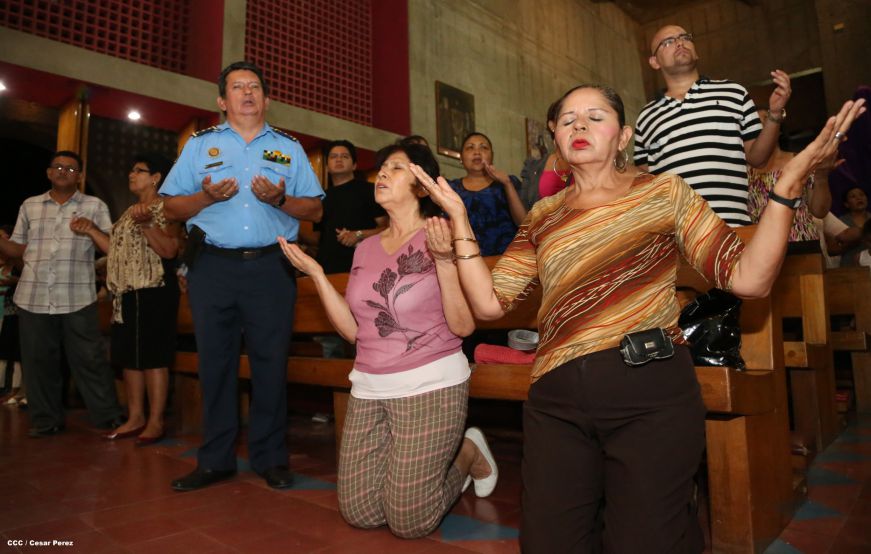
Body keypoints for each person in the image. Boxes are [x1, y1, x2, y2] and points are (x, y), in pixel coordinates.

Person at [413, 84, 864, 553]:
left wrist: (786, 189)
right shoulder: (542, 217)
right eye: (567, 120)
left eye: (595, 116)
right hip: (555, 398)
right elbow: (488, 305)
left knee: (647, 540)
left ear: (624, 135)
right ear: (556, 138)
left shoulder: (664, 192)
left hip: (649, 389)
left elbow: (749, 279)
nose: (579, 125)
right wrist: (460, 224)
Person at [278, 142, 497, 539]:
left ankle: (467, 453)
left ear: (420, 185)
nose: (381, 173)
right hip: (370, 386)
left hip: (431, 383)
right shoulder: (365, 247)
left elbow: (464, 326)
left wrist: (445, 261)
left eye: (396, 168)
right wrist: (317, 275)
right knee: (359, 511)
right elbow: (355, 332)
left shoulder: (442, 233)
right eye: (381, 167)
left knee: (409, 522)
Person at [160, 61, 324, 491]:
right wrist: (204, 196)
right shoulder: (199, 146)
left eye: (254, 87)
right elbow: (171, 208)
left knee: (271, 365)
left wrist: (283, 200)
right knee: (216, 364)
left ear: (267, 100)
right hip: (213, 266)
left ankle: (270, 458)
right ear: (222, 100)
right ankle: (215, 460)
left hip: (272, 267)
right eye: (237, 87)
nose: (247, 93)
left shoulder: (289, 148)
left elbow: (315, 210)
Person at [0, 151, 124, 437]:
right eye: (58, 167)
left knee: (90, 358)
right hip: (33, 295)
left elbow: (112, 246)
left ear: (79, 176)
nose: (63, 171)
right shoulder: (30, 206)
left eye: (70, 168)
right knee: (38, 361)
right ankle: (45, 420)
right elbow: (18, 249)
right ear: (48, 173)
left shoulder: (94, 206)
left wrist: (91, 229)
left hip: (77, 295)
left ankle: (107, 416)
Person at [634, 24, 792, 226]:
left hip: (731, 226)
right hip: (677, 235)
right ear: (654, 62)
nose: (680, 42)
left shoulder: (733, 93)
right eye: (668, 42)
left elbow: (758, 158)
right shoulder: (647, 116)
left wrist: (775, 113)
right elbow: (645, 180)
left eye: (685, 37)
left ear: (696, 51)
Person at [74, 154, 181, 445]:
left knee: (153, 357)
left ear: (156, 177)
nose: (132, 175)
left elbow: (170, 250)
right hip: (125, 293)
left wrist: (147, 225)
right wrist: (93, 231)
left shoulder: (167, 208)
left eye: (139, 171)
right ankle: (135, 417)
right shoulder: (127, 212)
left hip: (154, 289)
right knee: (129, 359)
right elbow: (115, 252)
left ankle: (156, 421)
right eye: (131, 170)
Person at [747, 108, 833, 241]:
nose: (760, 125)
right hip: (762, 248)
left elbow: (819, 211)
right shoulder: (741, 172)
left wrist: (822, 177)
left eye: (765, 119)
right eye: (754, 121)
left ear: (778, 128)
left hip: (802, 241)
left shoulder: (800, 160)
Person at [309, 140, 387, 274]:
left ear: (354, 165)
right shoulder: (320, 197)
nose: (339, 159)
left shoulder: (370, 190)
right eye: (333, 157)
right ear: (327, 166)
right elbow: (317, 239)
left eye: (345, 156)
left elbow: (389, 229)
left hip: (362, 268)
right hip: (327, 270)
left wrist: (359, 234)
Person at [448, 132, 527, 255]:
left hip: (509, 263)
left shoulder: (508, 182)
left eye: (483, 147)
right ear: (461, 158)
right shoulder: (451, 189)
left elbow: (524, 224)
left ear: (492, 156)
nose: (477, 152)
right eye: (470, 147)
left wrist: (507, 183)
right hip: (467, 263)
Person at [839, 186, 871, 266]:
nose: (859, 198)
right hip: (848, 264)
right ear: (846, 204)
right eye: (853, 196)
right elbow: (832, 249)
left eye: (862, 195)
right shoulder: (841, 221)